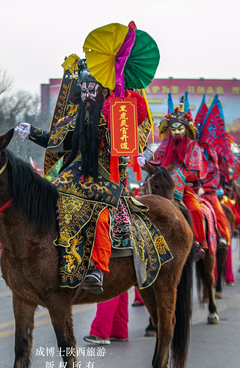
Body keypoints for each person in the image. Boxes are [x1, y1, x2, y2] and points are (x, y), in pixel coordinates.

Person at [16, 58, 155, 294]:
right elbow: (56, 140)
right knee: (47, 198)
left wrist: (121, 119)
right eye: (83, 89)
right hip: (74, 173)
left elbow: (125, 142)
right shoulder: (74, 117)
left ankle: (97, 269)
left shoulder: (113, 112)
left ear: (102, 90)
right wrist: (32, 133)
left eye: (92, 89)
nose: (87, 94)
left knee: (99, 215)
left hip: (104, 176)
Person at [149, 97, 207, 259]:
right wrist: (144, 163)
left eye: (180, 128)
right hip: (162, 187)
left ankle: (198, 243)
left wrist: (177, 174)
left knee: (195, 209)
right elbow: (155, 163)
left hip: (184, 188)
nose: (176, 131)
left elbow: (195, 172)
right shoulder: (164, 145)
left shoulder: (192, 147)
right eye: (173, 128)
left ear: (186, 129)